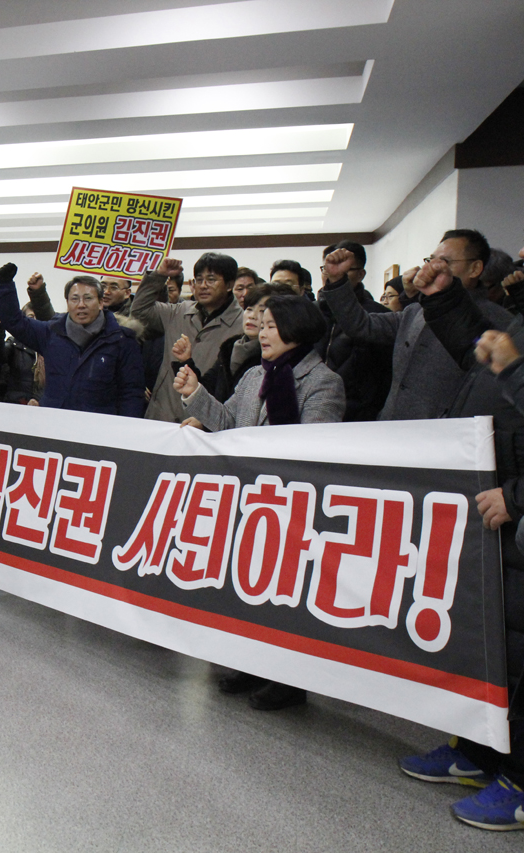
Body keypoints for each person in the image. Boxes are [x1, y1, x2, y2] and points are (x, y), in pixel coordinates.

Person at [389, 247, 524, 830]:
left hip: (510, 500)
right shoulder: (513, 313)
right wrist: (442, 297)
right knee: (493, 636)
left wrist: (517, 497)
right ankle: (478, 751)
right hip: (495, 495)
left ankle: (516, 779)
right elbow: (491, 349)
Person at [174, 295, 343, 711]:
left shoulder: (322, 381)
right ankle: (251, 664)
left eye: (271, 326)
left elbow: (314, 446)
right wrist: (197, 395)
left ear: (297, 328)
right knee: (249, 587)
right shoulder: (254, 376)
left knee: (285, 596)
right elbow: (230, 423)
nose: (262, 333)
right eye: (262, 325)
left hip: (293, 504)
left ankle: (288, 682)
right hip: (250, 499)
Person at [319, 231, 512, 421]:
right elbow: (361, 326)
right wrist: (337, 282)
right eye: (431, 260)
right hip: (392, 425)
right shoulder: (416, 312)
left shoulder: (498, 324)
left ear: (475, 268)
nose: (434, 268)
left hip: (444, 437)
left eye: (445, 261)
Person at [0, 264, 143, 415]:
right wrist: (6, 285)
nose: (81, 305)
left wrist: (126, 430)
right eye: (75, 299)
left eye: (88, 298)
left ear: (100, 303)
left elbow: (131, 392)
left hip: (98, 427)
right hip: (54, 422)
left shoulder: (121, 340)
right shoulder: (51, 333)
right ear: (67, 303)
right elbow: (14, 322)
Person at [132, 253, 245, 422]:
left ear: (229, 285)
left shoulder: (243, 324)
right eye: (198, 280)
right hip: (162, 414)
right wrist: (159, 276)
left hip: (204, 422)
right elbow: (139, 313)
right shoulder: (180, 311)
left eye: (211, 280)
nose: (203, 286)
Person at [171, 281, 295, 404]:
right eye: (249, 309)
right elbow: (208, 389)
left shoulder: (274, 355)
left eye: (262, 311)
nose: (252, 316)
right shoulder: (230, 348)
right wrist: (186, 362)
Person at [315, 240, 392, 422]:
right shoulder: (310, 312)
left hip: (360, 415)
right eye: (326, 268)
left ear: (361, 274)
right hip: (314, 408)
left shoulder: (378, 316)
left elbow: (385, 375)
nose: (332, 274)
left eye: (344, 268)